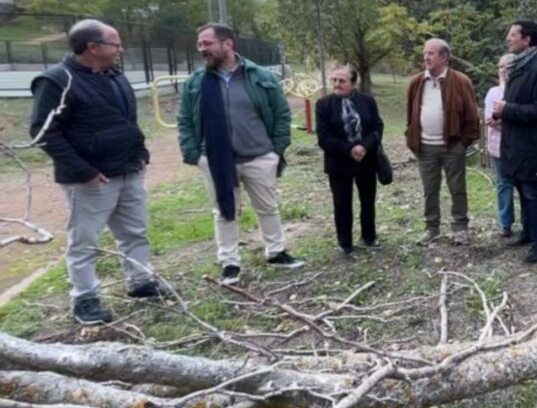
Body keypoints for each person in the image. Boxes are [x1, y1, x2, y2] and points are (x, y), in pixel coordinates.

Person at [29, 19, 164, 325]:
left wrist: (140, 153)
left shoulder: (115, 76)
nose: (121, 50)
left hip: (129, 170)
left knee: (134, 232)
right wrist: (84, 171)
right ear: (93, 47)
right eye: (116, 44)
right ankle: (85, 298)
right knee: (85, 241)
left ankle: (140, 282)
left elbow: (128, 120)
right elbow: (45, 132)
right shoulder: (56, 81)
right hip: (91, 180)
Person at [177, 23, 303, 285]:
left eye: (207, 43)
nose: (202, 49)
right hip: (214, 159)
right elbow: (185, 120)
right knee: (224, 211)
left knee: (267, 207)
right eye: (200, 44)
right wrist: (193, 154)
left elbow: (281, 114)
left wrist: (275, 151)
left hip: (258, 156)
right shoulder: (196, 83)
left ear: (228, 44)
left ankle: (276, 252)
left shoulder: (260, 77)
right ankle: (230, 263)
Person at [492, 20, 537, 264]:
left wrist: (508, 109)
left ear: (527, 40)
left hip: (531, 147)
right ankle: (528, 233)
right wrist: (501, 113)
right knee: (521, 190)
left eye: (513, 35)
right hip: (514, 145)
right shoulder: (517, 69)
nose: (508, 39)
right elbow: (513, 105)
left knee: (531, 193)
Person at [405, 39, 480, 245]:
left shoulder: (461, 81)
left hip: (452, 145)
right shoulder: (417, 82)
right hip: (425, 147)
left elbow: (472, 116)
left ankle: (460, 228)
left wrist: (463, 142)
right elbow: (411, 113)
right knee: (430, 190)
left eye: (431, 53)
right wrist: (412, 137)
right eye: (425, 53)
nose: (426, 57)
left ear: (445, 57)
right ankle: (432, 229)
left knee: (457, 188)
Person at [316, 65, 384, 254]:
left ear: (353, 83)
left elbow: (377, 127)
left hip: (366, 160)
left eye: (342, 81)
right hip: (339, 162)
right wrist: (349, 149)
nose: (336, 85)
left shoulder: (368, 101)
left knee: (368, 201)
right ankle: (344, 242)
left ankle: (369, 236)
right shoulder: (324, 104)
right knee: (342, 202)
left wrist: (364, 146)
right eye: (334, 80)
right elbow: (324, 137)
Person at [484, 54, 516, 238]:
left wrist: (504, 116)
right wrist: (510, 118)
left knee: (521, 184)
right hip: (498, 146)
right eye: (501, 67)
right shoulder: (493, 93)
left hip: (518, 147)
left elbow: (523, 118)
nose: (504, 71)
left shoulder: (521, 91)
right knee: (504, 183)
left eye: (508, 67)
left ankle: (527, 223)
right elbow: (490, 120)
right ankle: (506, 223)